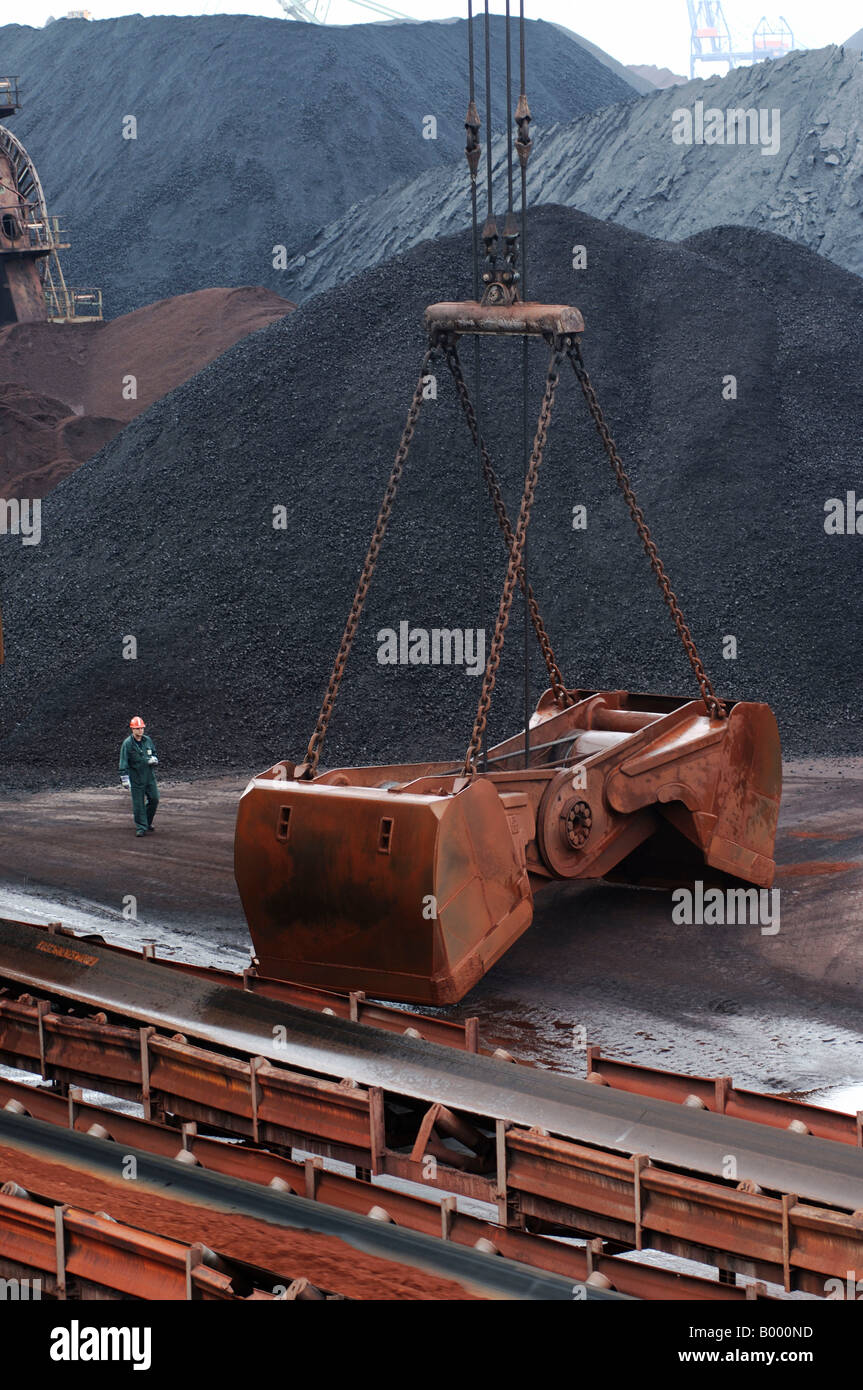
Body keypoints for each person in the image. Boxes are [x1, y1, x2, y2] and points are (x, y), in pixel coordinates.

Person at [119, 716, 160, 837]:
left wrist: (154, 759)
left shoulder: (147, 740)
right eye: (137, 728)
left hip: (149, 776)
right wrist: (124, 778)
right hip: (136, 777)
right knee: (138, 804)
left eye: (142, 728)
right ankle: (141, 827)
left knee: (154, 799)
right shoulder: (127, 744)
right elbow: (123, 761)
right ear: (132, 729)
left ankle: (146, 822)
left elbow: (154, 753)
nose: (140, 730)